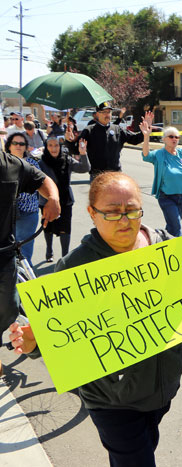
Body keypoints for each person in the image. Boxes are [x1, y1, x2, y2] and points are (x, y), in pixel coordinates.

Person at [9, 171, 182, 466]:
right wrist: (33, 343)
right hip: (112, 401)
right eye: (113, 213)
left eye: (132, 211)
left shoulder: (162, 244)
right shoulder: (73, 267)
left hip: (162, 388)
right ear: (92, 213)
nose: (125, 220)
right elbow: (62, 334)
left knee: (145, 446)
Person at [0, 139, 59, 376]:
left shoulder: (11, 165)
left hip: (4, 255)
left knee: (9, 307)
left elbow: (43, 180)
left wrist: (53, 199)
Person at [139, 123, 182, 237]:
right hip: (166, 197)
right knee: (176, 226)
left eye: (177, 137)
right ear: (164, 139)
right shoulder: (159, 154)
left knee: (172, 227)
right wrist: (146, 137)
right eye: (171, 137)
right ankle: (179, 250)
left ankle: (161, 239)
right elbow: (146, 155)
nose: (174, 139)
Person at [64, 102, 153, 180]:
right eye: (104, 112)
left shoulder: (117, 129)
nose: (107, 114)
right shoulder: (89, 131)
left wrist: (145, 130)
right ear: (97, 114)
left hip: (116, 174)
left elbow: (135, 140)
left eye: (109, 112)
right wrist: (68, 141)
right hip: (97, 176)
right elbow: (76, 150)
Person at [38, 136, 90, 261]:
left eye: (56, 145)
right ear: (46, 147)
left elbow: (85, 168)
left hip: (65, 199)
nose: (53, 148)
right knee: (48, 226)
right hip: (47, 200)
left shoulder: (67, 159)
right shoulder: (41, 162)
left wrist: (83, 154)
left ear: (60, 146)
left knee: (65, 228)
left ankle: (65, 256)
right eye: (50, 145)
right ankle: (49, 250)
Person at [6, 132, 42, 268]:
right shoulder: (3, 164)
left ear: (26, 147)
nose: (18, 146)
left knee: (24, 254)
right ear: (9, 145)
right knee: (7, 254)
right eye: (15, 143)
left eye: (22, 144)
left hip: (27, 214)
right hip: (6, 215)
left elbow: (39, 185)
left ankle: (27, 285)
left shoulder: (32, 164)